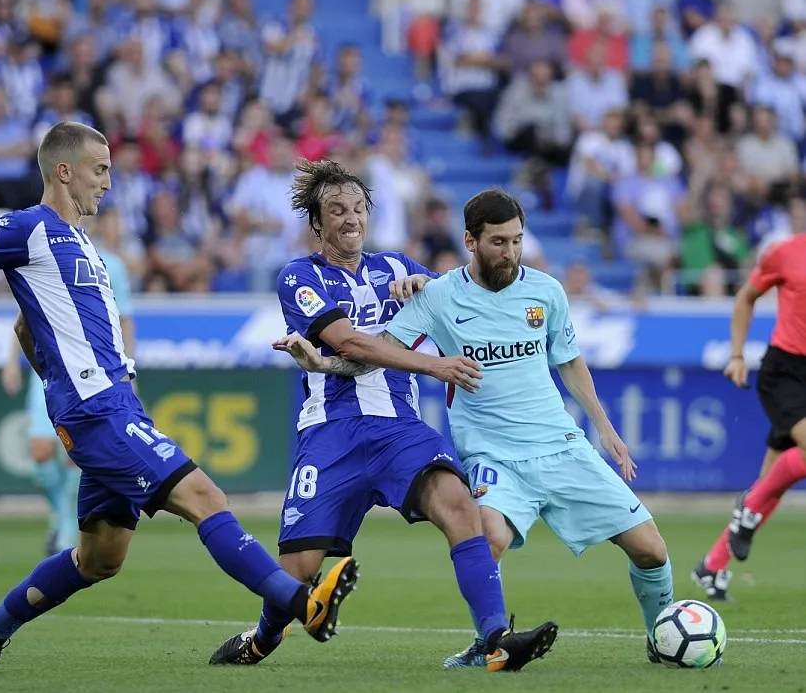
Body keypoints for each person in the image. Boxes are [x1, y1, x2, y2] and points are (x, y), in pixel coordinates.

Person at [0, 122, 359, 674]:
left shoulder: (83, 245)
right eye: (101, 170)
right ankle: (304, 603)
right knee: (206, 498)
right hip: (98, 410)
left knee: (99, 559)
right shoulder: (27, 227)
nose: (109, 184)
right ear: (63, 172)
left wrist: (56, 375)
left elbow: (27, 325)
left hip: (107, 405)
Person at [275, 187, 673, 666]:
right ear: (470, 240)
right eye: (499, 242)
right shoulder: (438, 296)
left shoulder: (546, 291)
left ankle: (663, 638)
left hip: (562, 445)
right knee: (486, 536)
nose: (510, 252)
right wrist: (319, 366)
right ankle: (490, 642)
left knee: (651, 550)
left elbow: (570, 363)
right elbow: (365, 358)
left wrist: (605, 428)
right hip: (493, 453)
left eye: (517, 241)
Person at [209, 160, 558, 672]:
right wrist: (434, 364)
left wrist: (429, 287)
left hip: (400, 430)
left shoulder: (397, 267)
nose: (350, 219)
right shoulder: (299, 276)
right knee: (298, 570)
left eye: (358, 208)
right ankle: (262, 638)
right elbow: (348, 342)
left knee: (461, 506)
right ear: (316, 223)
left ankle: (494, 640)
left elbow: (467, 299)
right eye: (337, 210)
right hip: (332, 435)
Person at [0, 206, 135, 557]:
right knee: (41, 452)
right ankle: (60, 515)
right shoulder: (48, 250)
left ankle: (66, 528)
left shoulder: (111, 265)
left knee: (76, 456)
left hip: (95, 373)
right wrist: (11, 362)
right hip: (49, 367)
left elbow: (124, 320)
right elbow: (26, 315)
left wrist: (127, 369)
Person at [691, 230, 806, 601]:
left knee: (770, 484)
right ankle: (748, 506)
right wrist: (737, 355)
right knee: (768, 490)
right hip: (786, 373)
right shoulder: (785, 252)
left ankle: (711, 565)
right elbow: (746, 297)